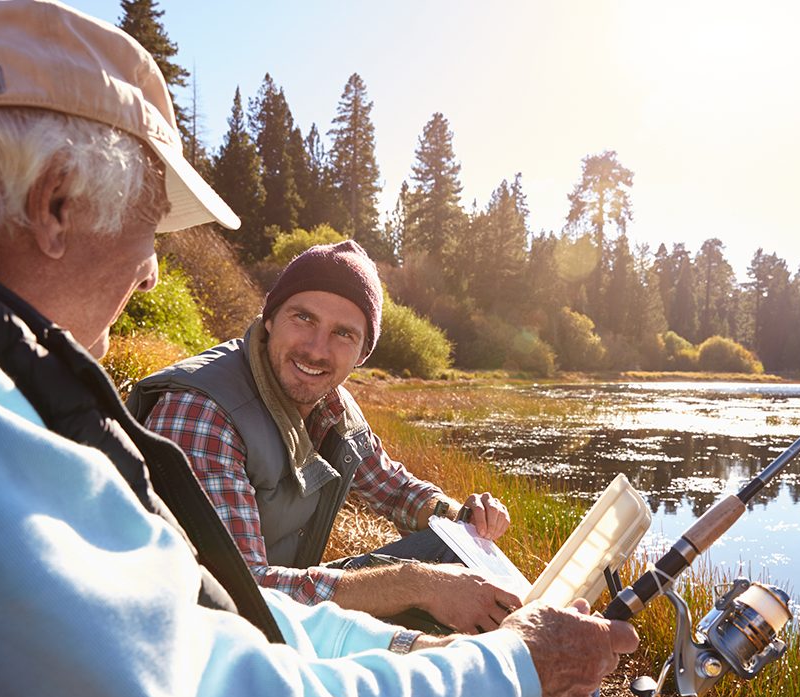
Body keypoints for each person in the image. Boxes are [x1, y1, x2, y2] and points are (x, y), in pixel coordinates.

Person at [0, 0, 788, 697]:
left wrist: (427, 620)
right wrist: (509, 666)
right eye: (152, 231)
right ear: (56, 203)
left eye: (347, 335)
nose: (152, 276)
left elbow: (201, 611)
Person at [128, 242, 519, 636]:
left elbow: (396, 491)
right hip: (205, 630)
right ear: (269, 319)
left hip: (278, 608)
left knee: (458, 549)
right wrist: (416, 585)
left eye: (343, 333)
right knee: (434, 584)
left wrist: (464, 517)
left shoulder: (332, 405)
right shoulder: (202, 411)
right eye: (303, 318)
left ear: (362, 353)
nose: (317, 350)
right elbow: (238, 594)